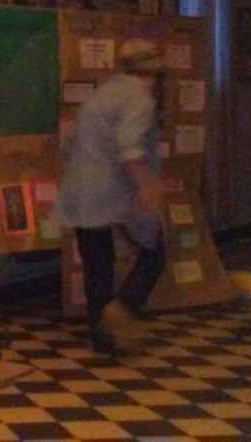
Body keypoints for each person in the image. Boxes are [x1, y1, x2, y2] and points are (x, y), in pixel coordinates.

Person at [51, 39, 168, 355]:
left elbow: (68, 142)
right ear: (152, 72)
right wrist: (146, 186)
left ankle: (102, 338)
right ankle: (124, 307)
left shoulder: (100, 94)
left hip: (80, 192)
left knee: (97, 267)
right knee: (156, 251)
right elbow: (130, 148)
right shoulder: (139, 97)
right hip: (114, 192)